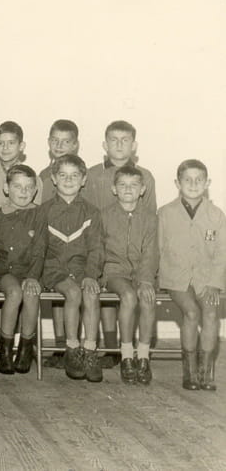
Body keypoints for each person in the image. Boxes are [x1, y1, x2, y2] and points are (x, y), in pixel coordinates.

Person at [82, 120, 158, 367]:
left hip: (137, 254)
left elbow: (149, 223)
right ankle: (113, 348)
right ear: (105, 144)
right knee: (114, 297)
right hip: (108, 256)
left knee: (139, 297)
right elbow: (89, 218)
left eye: (125, 140)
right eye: (113, 140)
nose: (119, 145)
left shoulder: (146, 176)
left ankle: (139, 353)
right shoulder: (92, 175)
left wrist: (146, 276)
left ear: (134, 145)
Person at [29, 154, 104, 382]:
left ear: (83, 180)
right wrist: (33, 276)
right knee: (72, 292)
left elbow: (96, 249)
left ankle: (90, 350)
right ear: (53, 179)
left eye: (74, 176)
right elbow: (38, 248)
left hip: (83, 269)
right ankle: (71, 349)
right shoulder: (43, 211)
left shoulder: (92, 212)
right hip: (54, 269)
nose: (68, 180)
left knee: (91, 293)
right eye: (63, 175)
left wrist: (91, 275)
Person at [158, 159, 226, 391]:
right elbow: (158, 248)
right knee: (191, 312)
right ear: (178, 183)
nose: (193, 184)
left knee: (210, 313)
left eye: (199, 180)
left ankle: (205, 372)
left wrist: (215, 283)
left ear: (207, 183)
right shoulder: (165, 213)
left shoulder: (216, 215)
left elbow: (222, 253)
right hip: (176, 277)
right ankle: (190, 372)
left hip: (206, 278)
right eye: (188, 180)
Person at [100, 165, 158, 385]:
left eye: (134, 185)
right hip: (114, 271)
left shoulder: (151, 218)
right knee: (128, 296)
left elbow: (151, 253)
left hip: (141, 273)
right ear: (114, 189)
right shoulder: (104, 216)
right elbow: (99, 250)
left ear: (142, 189)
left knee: (147, 297)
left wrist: (146, 281)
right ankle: (126, 355)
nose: (128, 189)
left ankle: (143, 356)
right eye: (122, 185)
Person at [0, 165, 42, 375]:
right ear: (6, 188)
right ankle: (4, 349)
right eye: (17, 186)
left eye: (28, 187)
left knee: (31, 292)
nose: (23, 191)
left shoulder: (39, 215)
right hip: (4, 272)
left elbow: (40, 249)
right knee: (14, 292)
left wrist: (33, 276)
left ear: (35, 190)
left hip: (30, 271)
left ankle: (25, 349)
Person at [37, 119, 80, 368]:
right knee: (57, 296)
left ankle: (77, 346)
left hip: (78, 250)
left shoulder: (81, 175)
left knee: (78, 294)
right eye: (55, 140)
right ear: (48, 143)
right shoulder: (43, 177)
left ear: (75, 145)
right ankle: (61, 345)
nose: (60, 145)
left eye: (66, 141)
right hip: (53, 251)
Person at [0, 121, 43, 217]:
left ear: (21, 146)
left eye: (11, 143)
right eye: (1, 143)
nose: (5, 147)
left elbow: (36, 213)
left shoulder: (33, 179)